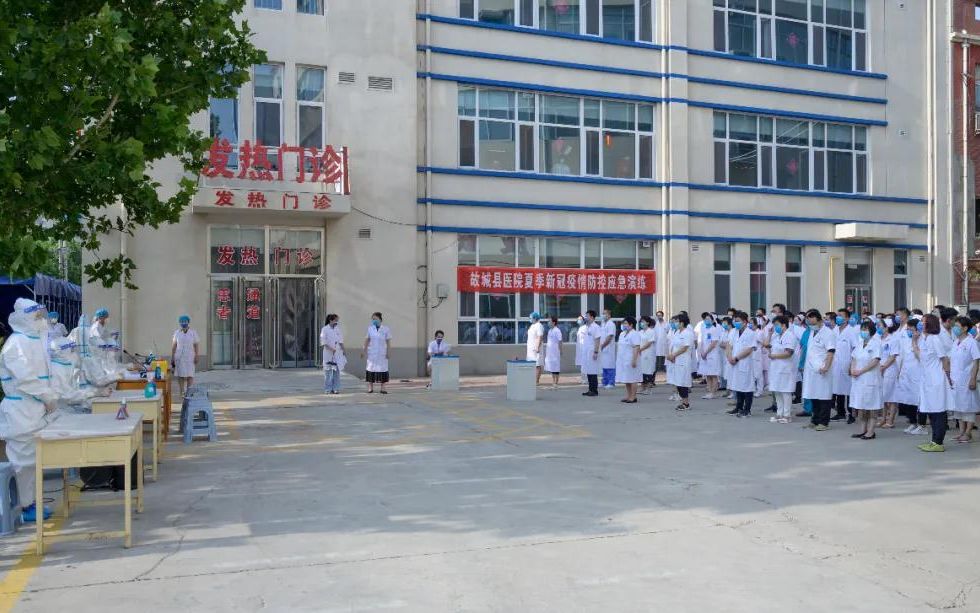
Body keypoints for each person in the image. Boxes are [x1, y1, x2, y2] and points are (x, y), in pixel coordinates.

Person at [0, 299, 58, 523]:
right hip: (20, 412)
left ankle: (30, 503)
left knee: (33, 461)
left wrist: (47, 397)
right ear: (25, 317)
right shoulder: (16, 344)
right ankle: (23, 507)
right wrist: (47, 396)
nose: (40, 320)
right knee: (22, 463)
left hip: (34, 410)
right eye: (36, 316)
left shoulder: (34, 340)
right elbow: (26, 380)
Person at [913, 314, 951, 452]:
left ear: (930, 324)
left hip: (936, 380)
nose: (920, 324)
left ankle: (938, 443)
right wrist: (914, 340)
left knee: (938, 411)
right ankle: (934, 441)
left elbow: (944, 359)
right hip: (927, 380)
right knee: (931, 411)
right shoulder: (925, 339)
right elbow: (919, 355)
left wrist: (948, 377)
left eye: (923, 322)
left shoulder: (935, 339)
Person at [802, 309, 836, 431]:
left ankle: (824, 422)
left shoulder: (828, 333)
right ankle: (814, 420)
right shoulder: (812, 332)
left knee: (823, 396)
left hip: (822, 369)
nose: (809, 323)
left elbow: (831, 351)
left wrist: (826, 366)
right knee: (813, 395)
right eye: (807, 320)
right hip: (811, 370)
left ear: (818, 318)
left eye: (811, 320)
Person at [849, 321, 882, 440]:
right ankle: (862, 430)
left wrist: (861, 371)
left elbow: (875, 361)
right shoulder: (859, 344)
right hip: (858, 379)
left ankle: (871, 432)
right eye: (862, 329)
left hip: (869, 378)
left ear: (871, 331)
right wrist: (853, 370)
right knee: (861, 405)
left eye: (866, 329)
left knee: (871, 406)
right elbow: (854, 358)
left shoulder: (876, 344)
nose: (863, 331)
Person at [949, 316, 979, 443]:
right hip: (955, 379)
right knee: (958, 406)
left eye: (957, 326)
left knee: (969, 406)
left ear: (965, 328)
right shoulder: (955, 342)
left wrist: (973, 379)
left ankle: (968, 432)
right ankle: (961, 432)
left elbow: (976, 362)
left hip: (967, 379)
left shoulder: (972, 342)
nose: (954, 329)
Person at [896, 318, 927, 435]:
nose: (908, 331)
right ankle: (913, 423)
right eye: (907, 329)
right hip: (906, 374)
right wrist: (900, 372)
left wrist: (914, 341)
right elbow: (903, 357)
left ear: (917, 329)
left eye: (910, 329)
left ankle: (922, 425)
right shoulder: (906, 340)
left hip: (918, 375)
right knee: (908, 399)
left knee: (919, 401)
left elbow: (921, 357)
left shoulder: (923, 340)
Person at [767, 315, 798, 423]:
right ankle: (779, 414)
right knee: (777, 391)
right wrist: (770, 334)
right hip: (776, 368)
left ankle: (787, 415)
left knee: (785, 392)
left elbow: (788, 353)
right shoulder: (776, 336)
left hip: (785, 368)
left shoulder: (790, 336)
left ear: (784, 325)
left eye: (777, 325)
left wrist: (774, 356)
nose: (775, 327)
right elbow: (768, 346)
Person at [726, 312, 757, 418]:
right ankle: (738, 407)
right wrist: (729, 357)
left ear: (744, 322)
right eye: (735, 321)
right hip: (734, 362)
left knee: (747, 387)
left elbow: (749, 349)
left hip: (744, 362)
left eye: (738, 321)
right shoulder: (733, 332)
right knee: (737, 385)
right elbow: (729, 345)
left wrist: (736, 358)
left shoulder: (750, 333)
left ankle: (747, 409)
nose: (736, 323)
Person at [831, 309, 856, 423]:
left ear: (847, 318)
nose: (838, 318)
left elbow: (855, 348)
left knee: (849, 390)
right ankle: (840, 413)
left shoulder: (851, 331)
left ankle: (851, 414)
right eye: (837, 315)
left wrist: (852, 365)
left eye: (841, 316)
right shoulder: (835, 330)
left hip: (847, 364)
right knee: (838, 389)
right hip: (835, 364)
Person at [666, 313, 694, 411]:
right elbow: (673, 345)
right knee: (678, 382)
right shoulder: (677, 332)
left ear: (682, 323)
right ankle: (683, 402)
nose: (675, 323)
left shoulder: (688, 333)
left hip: (683, 360)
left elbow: (685, 348)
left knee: (683, 382)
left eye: (677, 321)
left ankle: (686, 403)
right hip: (675, 360)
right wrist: (670, 355)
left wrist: (673, 355)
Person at [878, 319, 901, 429]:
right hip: (879, 369)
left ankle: (890, 420)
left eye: (880, 326)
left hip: (889, 369)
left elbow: (893, 356)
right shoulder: (878, 339)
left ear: (886, 327)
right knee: (882, 395)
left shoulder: (893, 339)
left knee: (891, 396)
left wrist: (884, 367)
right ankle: (883, 419)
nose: (878, 328)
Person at [170, 315, 200, 399]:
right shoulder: (177, 333)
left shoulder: (193, 333)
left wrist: (197, 355)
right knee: (180, 375)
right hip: (179, 357)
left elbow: (196, 345)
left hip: (190, 356)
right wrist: (172, 357)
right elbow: (174, 345)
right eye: (182, 322)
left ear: (188, 322)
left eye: (185, 321)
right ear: (180, 323)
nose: (183, 323)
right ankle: (182, 391)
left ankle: (189, 392)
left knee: (190, 374)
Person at [362, 312, 392, 394]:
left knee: (383, 369)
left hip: (382, 353)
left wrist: (389, 352)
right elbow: (367, 340)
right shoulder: (370, 329)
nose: (373, 320)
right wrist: (364, 351)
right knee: (370, 368)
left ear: (380, 319)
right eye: (372, 319)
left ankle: (383, 388)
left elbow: (388, 342)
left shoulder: (386, 329)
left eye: (375, 319)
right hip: (372, 352)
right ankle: (370, 387)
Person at [615, 316, 642, 403]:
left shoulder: (634, 334)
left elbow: (636, 347)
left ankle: (633, 397)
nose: (623, 325)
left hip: (631, 359)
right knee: (626, 379)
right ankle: (629, 395)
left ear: (631, 325)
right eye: (623, 323)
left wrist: (634, 360)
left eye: (625, 323)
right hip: (623, 360)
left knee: (633, 378)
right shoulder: (622, 334)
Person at [698, 313, 722, 399]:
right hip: (705, 355)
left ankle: (713, 393)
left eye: (708, 319)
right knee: (707, 374)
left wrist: (706, 352)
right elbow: (702, 342)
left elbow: (713, 343)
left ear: (712, 320)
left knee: (713, 374)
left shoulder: (714, 330)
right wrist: (702, 352)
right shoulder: (704, 329)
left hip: (712, 354)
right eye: (705, 319)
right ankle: (709, 391)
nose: (706, 321)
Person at [320, 314, 345, 394]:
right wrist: (331, 349)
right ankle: (328, 388)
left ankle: (335, 388)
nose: (337, 322)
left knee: (336, 371)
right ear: (331, 320)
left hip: (337, 353)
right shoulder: (325, 329)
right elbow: (324, 342)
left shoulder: (338, 329)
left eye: (337, 320)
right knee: (328, 371)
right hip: (328, 353)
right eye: (335, 320)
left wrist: (343, 350)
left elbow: (340, 341)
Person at [580, 310, 602, 397]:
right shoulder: (587, 327)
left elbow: (597, 340)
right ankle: (590, 389)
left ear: (592, 317)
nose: (585, 317)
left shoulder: (596, 327)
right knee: (588, 371)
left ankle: (594, 390)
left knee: (593, 371)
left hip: (592, 352)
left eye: (587, 316)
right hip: (587, 352)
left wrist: (596, 352)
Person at [638, 316, 657, 393]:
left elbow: (649, 343)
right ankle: (643, 387)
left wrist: (640, 349)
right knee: (641, 371)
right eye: (641, 322)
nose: (641, 323)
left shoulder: (651, 331)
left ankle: (648, 389)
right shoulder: (640, 332)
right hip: (641, 354)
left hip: (648, 354)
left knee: (648, 371)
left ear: (648, 322)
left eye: (643, 321)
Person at [526, 312, 545, 385]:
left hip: (536, 349)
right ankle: (532, 380)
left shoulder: (539, 325)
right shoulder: (532, 325)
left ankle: (536, 381)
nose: (530, 319)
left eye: (531, 318)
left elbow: (540, 337)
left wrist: (537, 347)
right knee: (531, 364)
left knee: (537, 365)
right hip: (530, 349)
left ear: (535, 318)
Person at [544, 316, 563, 390]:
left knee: (556, 367)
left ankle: (556, 382)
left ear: (554, 322)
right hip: (550, 352)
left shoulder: (557, 330)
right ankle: (553, 381)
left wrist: (560, 350)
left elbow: (560, 341)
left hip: (556, 351)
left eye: (549, 321)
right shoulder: (550, 330)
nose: (548, 323)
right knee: (552, 367)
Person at [600, 309, 617, 388]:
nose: (603, 315)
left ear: (609, 315)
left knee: (610, 365)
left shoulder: (611, 324)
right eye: (603, 313)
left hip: (608, 348)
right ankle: (604, 382)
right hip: (603, 348)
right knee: (604, 365)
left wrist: (603, 345)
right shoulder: (603, 324)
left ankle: (611, 382)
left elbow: (610, 336)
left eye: (605, 314)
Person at [654, 310, 668, 380]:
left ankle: (665, 375)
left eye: (660, 315)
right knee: (657, 360)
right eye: (658, 315)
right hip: (657, 344)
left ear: (663, 316)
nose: (659, 317)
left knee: (664, 359)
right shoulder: (655, 324)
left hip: (664, 344)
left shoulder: (667, 324)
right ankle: (656, 373)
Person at [574, 315, 588, 383]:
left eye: (580, 319)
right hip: (580, 348)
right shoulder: (580, 328)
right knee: (582, 364)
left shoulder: (585, 328)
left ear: (583, 320)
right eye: (578, 319)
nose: (578, 321)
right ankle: (583, 378)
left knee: (585, 364)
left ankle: (585, 379)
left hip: (584, 348)